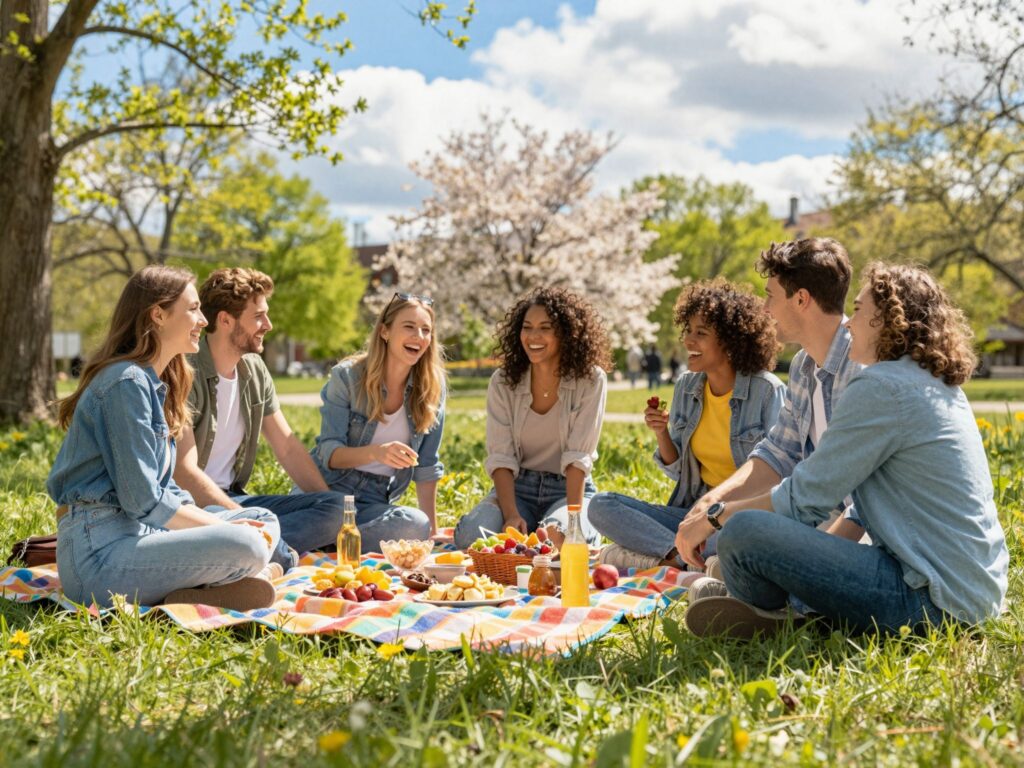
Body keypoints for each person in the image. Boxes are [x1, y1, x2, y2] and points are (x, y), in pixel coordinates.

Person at [680, 263, 1010, 637]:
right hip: (972, 594)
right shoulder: (932, 382)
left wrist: (717, 514)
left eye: (857, 310)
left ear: (888, 320)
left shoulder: (882, 387)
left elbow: (805, 498)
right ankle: (778, 599)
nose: (849, 324)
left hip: (932, 601)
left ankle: (783, 612)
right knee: (752, 539)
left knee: (742, 531)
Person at [48, 266, 281, 610]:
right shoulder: (125, 383)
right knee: (248, 544)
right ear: (158, 315)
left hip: (144, 536)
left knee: (262, 520)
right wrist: (219, 527)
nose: (204, 320)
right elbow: (144, 500)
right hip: (99, 558)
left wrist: (225, 527)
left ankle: (201, 587)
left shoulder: (154, 384)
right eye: (193, 309)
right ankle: (228, 577)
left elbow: (165, 490)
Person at [678, 238, 865, 580]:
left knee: (742, 537)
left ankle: (757, 588)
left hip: (860, 537)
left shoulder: (862, 368)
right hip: (811, 520)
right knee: (742, 532)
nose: (764, 309)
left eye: (769, 296)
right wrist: (707, 506)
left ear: (801, 299)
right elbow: (777, 454)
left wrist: (815, 566)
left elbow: (864, 504)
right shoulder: (803, 366)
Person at [588, 279, 785, 570]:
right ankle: (682, 558)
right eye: (688, 331)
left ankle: (662, 557)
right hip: (692, 512)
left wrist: (718, 515)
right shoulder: (687, 387)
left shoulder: (767, 391)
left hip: (741, 516)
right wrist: (661, 433)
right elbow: (678, 471)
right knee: (601, 505)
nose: (688, 340)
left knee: (729, 539)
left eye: (701, 333)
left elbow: (779, 474)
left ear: (731, 341)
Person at [173, 268, 344, 562]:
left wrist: (334, 518)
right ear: (225, 320)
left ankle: (257, 548)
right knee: (248, 531)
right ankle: (260, 549)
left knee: (336, 509)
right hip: (191, 509)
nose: (269, 324)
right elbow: (184, 474)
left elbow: (288, 447)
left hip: (235, 499)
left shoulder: (254, 369)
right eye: (258, 316)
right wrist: (241, 521)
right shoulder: (184, 371)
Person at [453, 287, 612, 550]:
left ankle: (570, 526)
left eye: (545, 328)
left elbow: (577, 458)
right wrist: (510, 513)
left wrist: (571, 522)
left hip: (567, 490)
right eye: (527, 327)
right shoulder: (503, 382)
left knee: (558, 540)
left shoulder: (591, 380)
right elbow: (501, 456)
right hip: (517, 489)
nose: (533, 336)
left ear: (566, 333)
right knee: (472, 537)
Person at [311, 292, 446, 549]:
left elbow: (426, 465)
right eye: (409, 327)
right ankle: (330, 533)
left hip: (375, 499)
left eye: (426, 330)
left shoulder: (432, 387)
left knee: (416, 525)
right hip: (330, 490)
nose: (419, 337)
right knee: (331, 515)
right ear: (385, 331)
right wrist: (376, 453)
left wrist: (432, 532)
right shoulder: (348, 377)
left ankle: (327, 537)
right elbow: (328, 453)